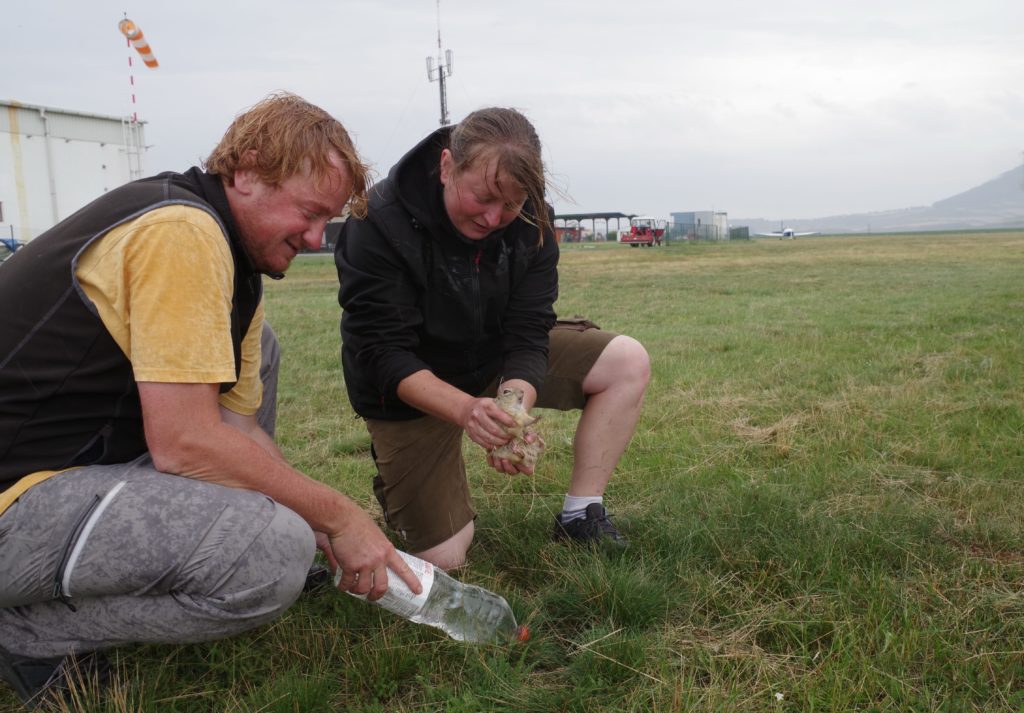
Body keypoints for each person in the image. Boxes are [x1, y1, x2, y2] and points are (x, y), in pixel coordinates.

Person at [0, 92, 421, 709]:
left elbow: (238, 429)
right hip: (16, 494)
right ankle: (28, 634)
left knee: (284, 504)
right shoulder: (182, 231)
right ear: (247, 170)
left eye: (325, 222)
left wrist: (317, 525)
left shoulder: (233, 261)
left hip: (60, 473)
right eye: (308, 213)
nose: (313, 239)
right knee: (268, 555)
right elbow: (185, 442)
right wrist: (337, 515)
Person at [335, 107, 651, 571]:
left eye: (511, 203)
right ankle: (403, 483)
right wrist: (466, 411)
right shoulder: (378, 219)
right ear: (447, 167)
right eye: (481, 196)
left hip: (490, 360)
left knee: (626, 361)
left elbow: (528, 329)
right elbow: (382, 353)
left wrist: (511, 409)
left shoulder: (534, 221)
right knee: (442, 560)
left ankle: (580, 514)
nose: (492, 217)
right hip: (409, 391)